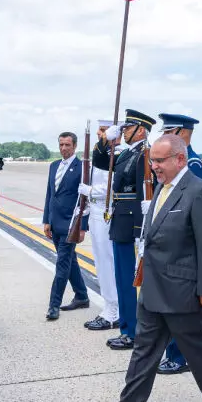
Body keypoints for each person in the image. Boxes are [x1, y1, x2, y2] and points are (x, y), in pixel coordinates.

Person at [118, 134, 202, 402]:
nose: (154, 166)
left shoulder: (199, 191)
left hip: (183, 296)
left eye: (159, 161)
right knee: (142, 358)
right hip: (153, 291)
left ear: (180, 159)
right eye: (152, 160)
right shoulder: (161, 187)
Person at [98, 109, 156, 350]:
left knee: (131, 280)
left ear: (141, 130)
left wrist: (142, 229)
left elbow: (146, 191)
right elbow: (102, 162)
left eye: (127, 128)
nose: (123, 132)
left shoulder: (145, 154)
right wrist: (105, 141)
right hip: (120, 220)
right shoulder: (127, 153)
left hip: (132, 222)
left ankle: (133, 331)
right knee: (123, 279)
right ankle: (127, 328)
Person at [155, 113, 202, 374]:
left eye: (170, 132)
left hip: (183, 251)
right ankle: (172, 352)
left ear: (183, 133)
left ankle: (179, 356)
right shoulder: (169, 163)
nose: (165, 136)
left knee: (180, 307)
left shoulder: (193, 163)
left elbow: (193, 209)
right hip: (166, 249)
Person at [78, 120, 120, 331]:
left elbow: (112, 188)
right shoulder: (101, 154)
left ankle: (114, 310)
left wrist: (90, 191)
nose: (98, 133)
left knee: (108, 262)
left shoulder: (117, 155)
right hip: (96, 212)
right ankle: (109, 306)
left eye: (103, 131)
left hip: (106, 213)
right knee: (101, 262)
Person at [43, 131, 89, 321]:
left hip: (71, 224)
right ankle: (82, 296)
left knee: (62, 264)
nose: (63, 148)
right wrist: (46, 220)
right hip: (55, 223)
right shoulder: (54, 165)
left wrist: (82, 227)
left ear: (75, 146)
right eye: (61, 144)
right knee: (71, 261)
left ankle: (53, 305)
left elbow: (85, 200)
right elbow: (50, 194)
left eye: (67, 145)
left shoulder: (82, 168)